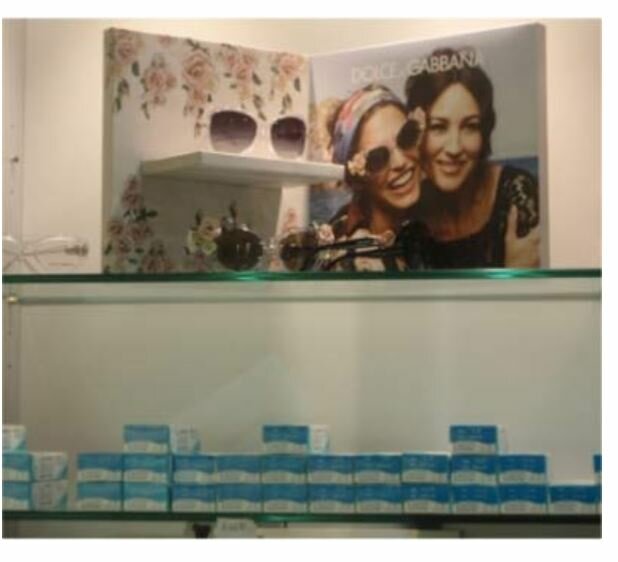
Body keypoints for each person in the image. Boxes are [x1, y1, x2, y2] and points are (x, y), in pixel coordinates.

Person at [405, 48, 541, 268]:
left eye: (470, 126)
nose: (454, 148)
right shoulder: (408, 208)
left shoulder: (516, 193)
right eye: (438, 127)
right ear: (417, 132)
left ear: (484, 131)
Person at [325, 84, 427, 271]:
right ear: (356, 178)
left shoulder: (423, 232)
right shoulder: (357, 261)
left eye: (407, 137)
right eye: (377, 158)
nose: (400, 162)